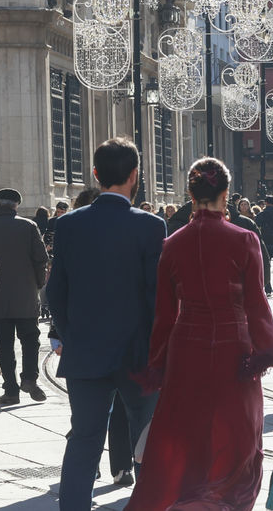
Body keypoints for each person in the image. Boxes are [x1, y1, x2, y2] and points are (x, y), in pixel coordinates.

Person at [127, 157, 273, 511]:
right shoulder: (244, 239)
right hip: (234, 353)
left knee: (187, 438)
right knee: (237, 441)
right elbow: (257, 306)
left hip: (185, 353)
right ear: (226, 193)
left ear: (191, 195)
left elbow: (164, 315)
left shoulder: (173, 244)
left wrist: (157, 365)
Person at [47, 137, 166, 511]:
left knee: (84, 439)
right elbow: (157, 296)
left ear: (96, 174)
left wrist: (72, 336)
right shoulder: (151, 226)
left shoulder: (69, 224)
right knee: (147, 441)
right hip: (138, 354)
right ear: (135, 175)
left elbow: (55, 292)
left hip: (86, 352)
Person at [0, 188, 50, 405]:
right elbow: (41, 258)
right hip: (26, 294)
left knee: (4, 344)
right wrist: (37, 284)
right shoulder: (28, 226)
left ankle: (10, 389)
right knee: (30, 338)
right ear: (16, 206)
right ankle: (29, 378)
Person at [230, 198, 273, 292]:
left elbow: (258, 238)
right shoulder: (234, 219)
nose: (244, 206)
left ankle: (268, 288)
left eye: (245, 204)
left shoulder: (252, 218)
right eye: (242, 204)